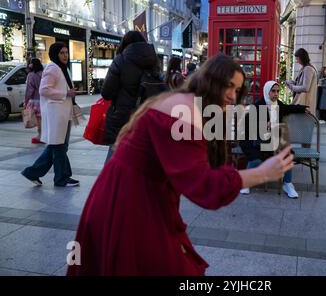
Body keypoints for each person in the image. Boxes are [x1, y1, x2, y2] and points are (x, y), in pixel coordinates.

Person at [66, 55, 294, 275]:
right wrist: (262, 173)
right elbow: (204, 186)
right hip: (130, 203)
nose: (234, 97)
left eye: (238, 90)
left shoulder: (184, 102)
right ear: (212, 82)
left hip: (133, 196)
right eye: (230, 87)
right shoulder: (184, 111)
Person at [21, 42, 79, 187]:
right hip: (56, 114)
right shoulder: (52, 68)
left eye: (66, 52)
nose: (65, 55)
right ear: (55, 54)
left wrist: (69, 93)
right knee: (59, 146)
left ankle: (33, 172)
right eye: (62, 53)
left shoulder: (62, 68)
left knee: (57, 146)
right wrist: (66, 93)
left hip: (63, 114)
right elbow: (43, 90)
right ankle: (61, 178)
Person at [239, 80, 307, 198]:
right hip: (252, 139)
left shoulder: (278, 105)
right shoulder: (257, 106)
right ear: (267, 92)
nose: (276, 94)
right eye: (273, 91)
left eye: (277, 91)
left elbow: (289, 108)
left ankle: (287, 184)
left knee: (287, 154)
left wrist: (303, 109)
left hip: (271, 140)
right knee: (256, 158)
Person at [101, 30, 160, 163]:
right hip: (147, 114)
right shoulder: (154, 60)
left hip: (122, 116)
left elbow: (107, 92)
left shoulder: (120, 60)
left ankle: (112, 182)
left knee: (115, 155)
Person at [285, 48, 318, 117]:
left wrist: (292, 87)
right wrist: (292, 82)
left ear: (301, 58)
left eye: (297, 59)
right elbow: (300, 82)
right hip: (303, 100)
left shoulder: (308, 69)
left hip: (304, 101)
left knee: (301, 124)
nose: (297, 61)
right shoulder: (306, 67)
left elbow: (306, 88)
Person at [24, 58, 44, 144]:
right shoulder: (43, 74)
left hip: (35, 100)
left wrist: (26, 101)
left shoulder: (31, 75)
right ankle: (44, 134)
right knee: (43, 119)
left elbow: (29, 90)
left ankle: (40, 135)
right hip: (44, 100)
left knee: (39, 119)